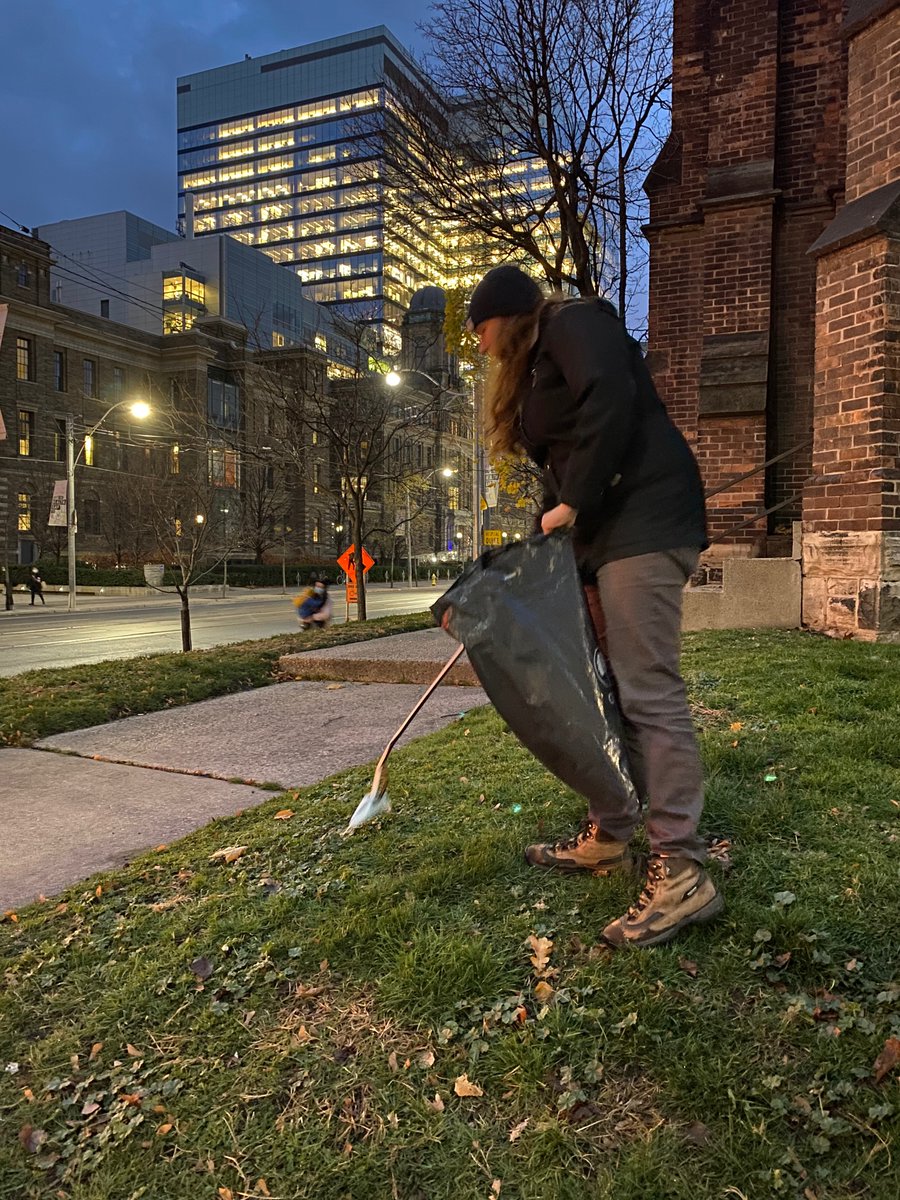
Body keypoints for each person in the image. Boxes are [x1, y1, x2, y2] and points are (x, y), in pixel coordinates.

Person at [465, 264, 723, 948]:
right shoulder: (537, 363)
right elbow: (569, 455)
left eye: (482, 331)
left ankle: (682, 870)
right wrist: (560, 522)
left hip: (646, 524)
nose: (481, 348)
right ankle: (611, 831)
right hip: (600, 537)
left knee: (647, 690)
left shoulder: (575, 322)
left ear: (509, 315)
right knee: (602, 690)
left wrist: (575, 500)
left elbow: (610, 397)